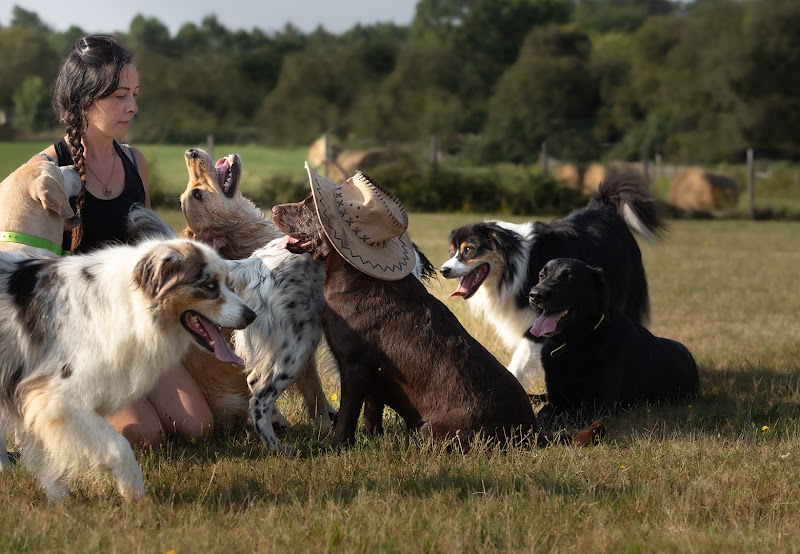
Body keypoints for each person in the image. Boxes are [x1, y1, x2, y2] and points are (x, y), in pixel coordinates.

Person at [30, 34, 214, 448]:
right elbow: (31, 280)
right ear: (82, 100)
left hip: (138, 328)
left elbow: (150, 255)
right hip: (80, 337)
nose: (132, 107)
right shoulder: (46, 172)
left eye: (134, 94)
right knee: (143, 435)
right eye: (118, 96)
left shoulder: (135, 163)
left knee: (197, 428)